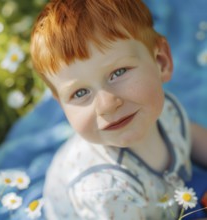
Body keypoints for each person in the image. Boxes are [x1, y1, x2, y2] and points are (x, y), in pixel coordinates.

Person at [30, 0, 207, 219]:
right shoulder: (106, 191)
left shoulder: (163, 108)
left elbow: (188, 133)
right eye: (79, 93)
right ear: (62, 106)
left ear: (161, 62)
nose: (106, 104)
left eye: (118, 72)